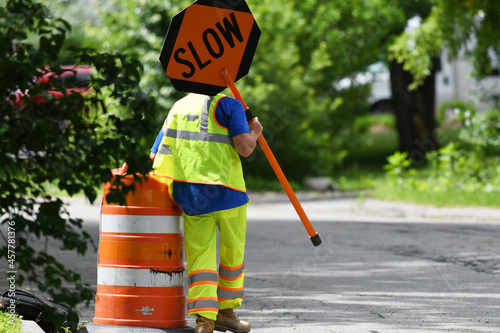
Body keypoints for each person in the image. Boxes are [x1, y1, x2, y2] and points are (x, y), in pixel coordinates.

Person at [150, 93, 263, 333]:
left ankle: (205, 322)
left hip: (192, 196)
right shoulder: (230, 104)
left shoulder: (178, 107)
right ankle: (226, 313)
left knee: (201, 259)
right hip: (228, 192)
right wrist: (255, 130)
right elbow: (245, 148)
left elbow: (155, 154)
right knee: (232, 255)